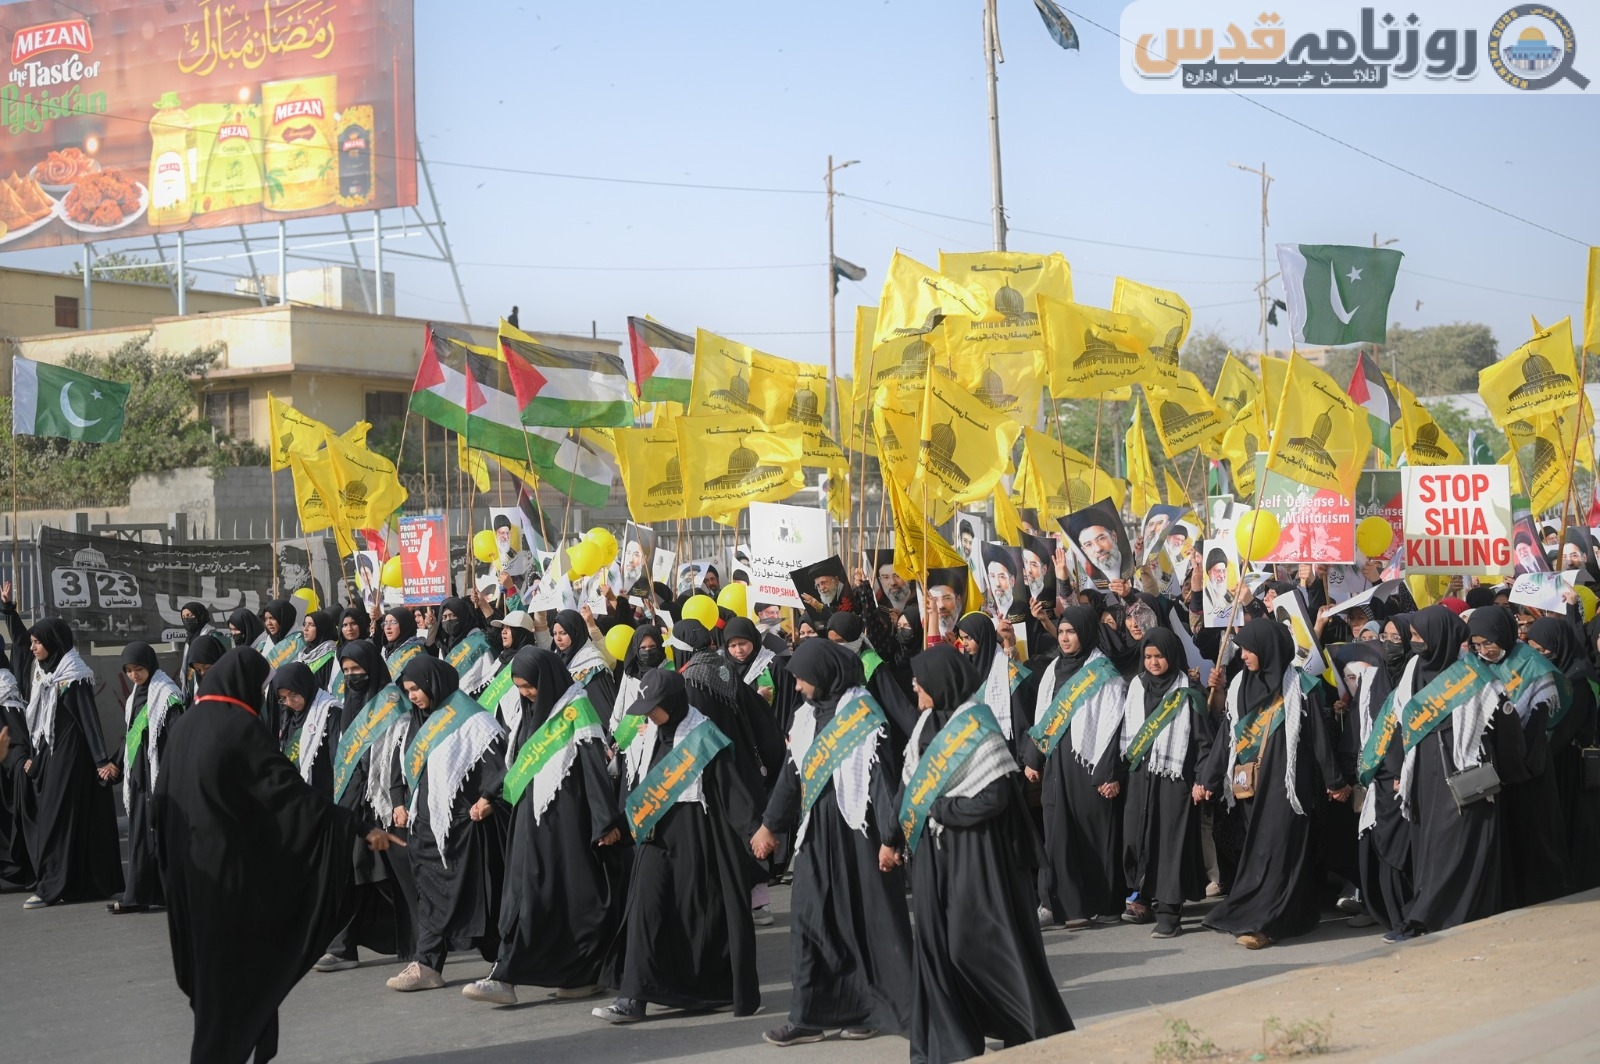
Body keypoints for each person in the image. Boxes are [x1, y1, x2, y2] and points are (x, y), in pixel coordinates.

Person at [154, 646, 403, 1064]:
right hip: (231, 879)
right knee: (238, 978)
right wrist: (356, 827)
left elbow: (160, 808)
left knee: (212, 978)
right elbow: (289, 797)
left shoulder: (187, 725)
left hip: (190, 877)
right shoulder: (239, 728)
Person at [899, 645, 1073, 1063]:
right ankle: (951, 1040)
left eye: (920, 681)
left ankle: (1026, 1025)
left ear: (941, 683)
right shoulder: (924, 724)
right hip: (935, 857)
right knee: (938, 948)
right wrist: (892, 837)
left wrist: (943, 810)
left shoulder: (978, 725)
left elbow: (994, 797)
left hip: (977, 854)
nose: (915, 686)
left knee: (974, 945)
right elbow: (908, 789)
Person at [750, 639, 912, 1045]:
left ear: (824, 674)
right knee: (809, 920)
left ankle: (869, 1010)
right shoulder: (805, 717)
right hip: (815, 835)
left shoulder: (864, 715)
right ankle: (807, 1016)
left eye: (802, 677)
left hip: (858, 835)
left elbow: (882, 780)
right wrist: (769, 826)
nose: (798, 686)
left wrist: (890, 838)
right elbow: (792, 776)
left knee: (862, 921)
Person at [594, 669, 766, 1024]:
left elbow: (732, 791)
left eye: (653, 707)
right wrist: (620, 828)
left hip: (695, 837)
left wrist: (756, 833)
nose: (648, 714)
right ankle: (632, 998)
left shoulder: (704, 736)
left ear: (673, 701)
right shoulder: (649, 736)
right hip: (654, 840)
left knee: (698, 918)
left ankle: (712, 991)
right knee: (644, 911)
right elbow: (642, 789)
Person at [463, 647, 630, 1005]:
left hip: (567, 824)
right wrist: (490, 795)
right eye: (520, 688)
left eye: (530, 686)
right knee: (523, 896)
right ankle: (504, 975)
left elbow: (594, 770)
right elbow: (518, 762)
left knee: (568, 899)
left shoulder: (577, 710)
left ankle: (577, 975)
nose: (526, 694)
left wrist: (604, 822)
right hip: (530, 821)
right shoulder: (531, 712)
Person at [1197, 618, 1349, 949]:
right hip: (1250, 788)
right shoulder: (1239, 684)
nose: (1244, 656)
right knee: (1259, 853)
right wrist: (1207, 779)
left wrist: (1335, 781)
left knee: (1280, 851)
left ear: (1269, 649)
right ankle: (1273, 913)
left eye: (1249, 650)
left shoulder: (1301, 686)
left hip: (1287, 788)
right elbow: (1227, 737)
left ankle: (1266, 924)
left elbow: (1320, 740)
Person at [1397, 605, 1524, 936]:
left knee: (1458, 847)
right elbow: (1401, 721)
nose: (1414, 642)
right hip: (1423, 775)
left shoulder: (1475, 677)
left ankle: (1442, 915)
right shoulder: (1413, 669)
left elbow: (1505, 728)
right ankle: (1427, 910)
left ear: (1439, 636)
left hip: (1465, 775)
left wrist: (1511, 771)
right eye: (1412, 636)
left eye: (1418, 635)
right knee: (1430, 846)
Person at [387, 657, 508, 992]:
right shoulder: (414, 721)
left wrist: (487, 798)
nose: (413, 696)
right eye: (408, 690)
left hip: (463, 831)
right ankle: (427, 964)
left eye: (417, 688)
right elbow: (402, 766)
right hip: (426, 828)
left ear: (434, 683)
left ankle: (506, 961)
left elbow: (500, 765)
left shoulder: (472, 719)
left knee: (478, 901)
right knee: (430, 898)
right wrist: (399, 801)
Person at [1024, 606, 1128, 929]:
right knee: (1056, 834)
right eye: (1062, 632)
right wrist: (1034, 758)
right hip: (1056, 763)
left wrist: (1106, 772)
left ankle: (1099, 902)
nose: (1065, 638)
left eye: (1072, 632)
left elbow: (1112, 725)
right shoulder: (1053, 669)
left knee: (1090, 835)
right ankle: (1056, 904)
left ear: (1085, 633)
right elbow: (1044, 717)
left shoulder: (1103, 672)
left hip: (1087, 764)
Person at [315, 639, 412, 973]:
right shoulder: (349, 701)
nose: (351, 676)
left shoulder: (391, 702)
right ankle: (342, 947)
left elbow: (397, 752)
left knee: (392, 876)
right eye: (346, 670)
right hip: (352, 800)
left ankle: (421, 938)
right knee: (349, 871)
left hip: (383, 801)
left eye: (357, 669)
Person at [1467, 607, 1573, 909]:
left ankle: (1544, 896)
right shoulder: (1474, 666)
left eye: (1488, 643)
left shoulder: (1531, 665)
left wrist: (1519, 764)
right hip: (1494, 769)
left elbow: (1537, 724)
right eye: (1477, 645)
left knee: (1535, 835)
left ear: (1503, 634)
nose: (1484, 651)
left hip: (1529, 768)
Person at [18, 618, 123, 910]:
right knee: (65, 817)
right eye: (32, 642)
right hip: (52, 751)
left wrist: (101, 760)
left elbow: (88, 718)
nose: (33, 648)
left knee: (56, 818)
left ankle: (49, 887)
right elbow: (42, 720)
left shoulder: (73, 674)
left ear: (53, 642)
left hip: (72, 754)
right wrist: (35, 754)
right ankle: (77, 883)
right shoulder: (44, 671)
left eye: (38, 642)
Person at [1120, 629, 1210, 939]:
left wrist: (1201, 778)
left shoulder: (1189, 691)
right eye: (1147, 656)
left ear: (1172, 656)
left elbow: (1203, 741)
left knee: (1171, 845)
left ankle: (1170, 912)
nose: (1153, 662)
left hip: (1175, 779)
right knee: (1138, 838)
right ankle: (1143, 898)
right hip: (1140, 777)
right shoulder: (1137, 686)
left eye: (1159, 656)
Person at [1331, 640, 1411, 936]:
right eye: (1349, 677)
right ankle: (1372, 903)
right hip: (1371, 787)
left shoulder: (1405, 686)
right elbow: (1354, 741)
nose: (1356, 682)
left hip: (1399, 786)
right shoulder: (1365, 695)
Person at [111, 642, 184, 915]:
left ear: (150, 665)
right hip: (140, 777)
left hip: (159, 776)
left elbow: (177, 736)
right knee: (142, 837)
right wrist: (116, 763)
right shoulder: (136, 696)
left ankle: (158, 894)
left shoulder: (167, 695)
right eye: (128, 670)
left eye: (138, 669)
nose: (134, 675)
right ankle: (140, 895)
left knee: (161, 837)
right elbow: (132, 734)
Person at [1529, 616, 1600, 891]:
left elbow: (1565, 730)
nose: (1538, 655)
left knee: (1578, 823)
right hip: (1560, 762)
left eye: (1542, 650)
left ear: (1559, 645)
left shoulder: (1579, 680)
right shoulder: (1560, 673)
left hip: (1573, 764)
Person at [552, 608, 619, 724]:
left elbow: (603, 708)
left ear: (575, 632)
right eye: (554, 633)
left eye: (563, 633)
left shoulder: (592, 664)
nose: (558, 638)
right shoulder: (556, 658)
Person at [723, 617, 776, 703]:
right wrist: (758, 698)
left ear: (753, 639)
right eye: (733, 645)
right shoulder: (724, 670)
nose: (738, 650)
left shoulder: (772, 664)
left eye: (742, 643)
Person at [297, 610, 340, 690]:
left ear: (322, 628)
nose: (305, 629)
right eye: (304, 624)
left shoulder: (331, 656)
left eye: (311, 625)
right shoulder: (302, 653)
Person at [378, 606, 427, 673]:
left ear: (404, 625)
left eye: (393, 622)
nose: (387, 627)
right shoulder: (385, 650)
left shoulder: (415, 651)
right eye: (385, 623)